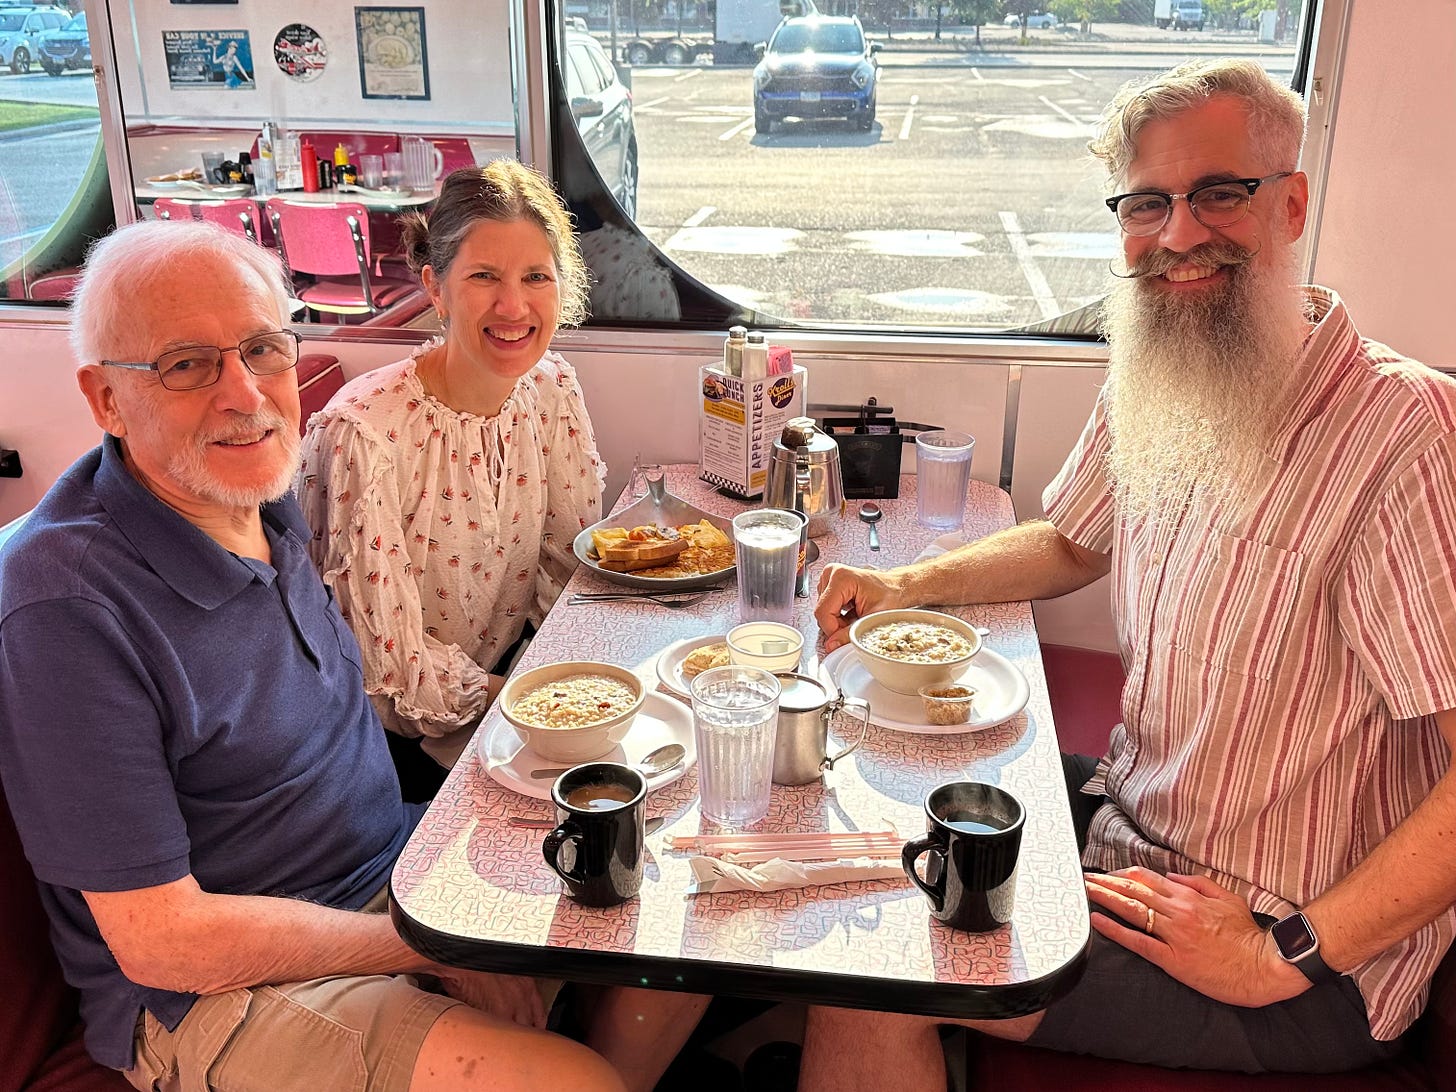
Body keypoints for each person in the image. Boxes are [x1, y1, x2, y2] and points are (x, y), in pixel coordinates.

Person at [803, 58, 1456, 1084]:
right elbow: (1072, 540)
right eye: (1148, 202)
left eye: (1218, 193)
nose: (1180, 234)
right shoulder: (1170, 366)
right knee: (870, 798)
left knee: (879, 973)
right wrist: (903, 587)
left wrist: (1280, 955)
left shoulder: (1401, 437)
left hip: (1295, 950)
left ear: (1288, 205)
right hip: (1138, 832)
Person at [0, 219, 685, 1092]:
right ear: (104, 400)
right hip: (212, 994)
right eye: (185, 364)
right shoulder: (65, 609)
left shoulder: (263, 491)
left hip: (390, 867)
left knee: (673, 917)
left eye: (261, 349)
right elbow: (163, 941)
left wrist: (429, 919)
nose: (242, 394)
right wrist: (426, 945)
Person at [295, 162, 604, 778]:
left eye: (536, 277)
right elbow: (387, 670)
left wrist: (571, 672)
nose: (513, 305)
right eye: (484, 276)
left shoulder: (550, 389)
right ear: (436, 288)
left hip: (505, 692)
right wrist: (534, 702)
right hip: (392, 743)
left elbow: (567, 564)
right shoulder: (366, 434)